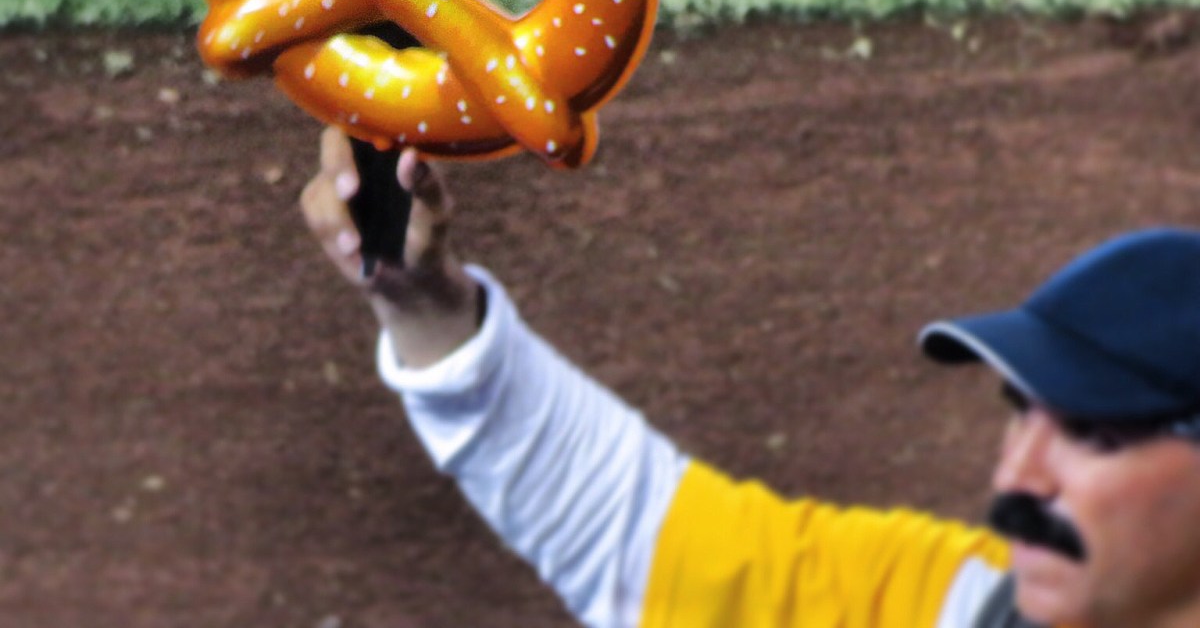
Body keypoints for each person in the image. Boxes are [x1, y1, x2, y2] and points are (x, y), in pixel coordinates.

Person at [301, 127, 1200, 628]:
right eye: (1020, 414)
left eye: (1092, 434)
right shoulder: (960, 604)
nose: (1017, 478)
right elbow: (640, 538)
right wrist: (425, 304)